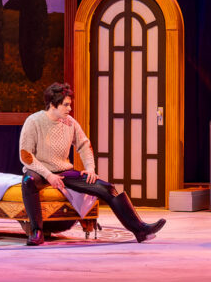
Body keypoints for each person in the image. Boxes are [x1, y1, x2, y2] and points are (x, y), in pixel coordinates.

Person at [18, 82, 165, 246]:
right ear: (53, 104)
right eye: (65, 105)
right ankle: (37, 232)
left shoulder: (70, 122)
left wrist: (90, 169)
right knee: (28, 182)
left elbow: (84, 145)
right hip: (39, 171)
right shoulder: (34, 121)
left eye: (70, 105)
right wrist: (48, 175)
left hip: (63, 170)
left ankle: (140, 229)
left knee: (107, 188)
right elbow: (26, 155)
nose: (69, 109)